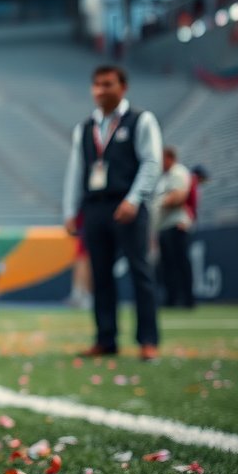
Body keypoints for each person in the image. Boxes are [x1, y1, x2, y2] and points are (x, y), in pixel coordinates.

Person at [62, 64, 162, 360]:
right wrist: (70, 210)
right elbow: (75, 171)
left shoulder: (141, 120)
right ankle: (106, 338)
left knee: (140, 272)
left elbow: (151, 162)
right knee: (100, 275)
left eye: (107, 84)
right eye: (96, 85)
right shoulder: (84, 128)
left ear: (123, 87)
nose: (100, 91)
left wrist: (134, 199)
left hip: (127, 205)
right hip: (95, 207)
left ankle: (148, 340)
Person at [155, 147, 194, 308]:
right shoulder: (165, 176)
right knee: (167, 265)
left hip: (176, 225)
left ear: (169, 158)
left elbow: (178, 196)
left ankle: (187, 299)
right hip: (164, 226)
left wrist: (160, 203)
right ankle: (171, 299)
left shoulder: (178, 172)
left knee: (180, 264)